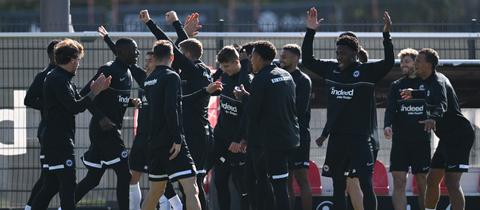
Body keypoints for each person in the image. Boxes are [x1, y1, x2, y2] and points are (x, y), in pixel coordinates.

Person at [302, 7, 393, 210]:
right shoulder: (330, 70)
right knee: (337, 185)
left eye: (343, 52)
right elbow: (307, 60)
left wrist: (386, 35)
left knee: (366, 185)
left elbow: (388, 62)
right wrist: (310, 31)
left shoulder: (366, 72)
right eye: (337, 52)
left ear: (354, 53)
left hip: (361, 138)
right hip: (338, 138)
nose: (339, 56)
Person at [140, 10, 213, 209]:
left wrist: (161, 24)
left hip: (188, 133)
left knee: (189, 185)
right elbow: (177, 52)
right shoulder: (191, 71)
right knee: (190, 188)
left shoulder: (154, 79)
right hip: (179, 135)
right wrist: (178, 28)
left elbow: (173, 51)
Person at [30, 38, 111, 210]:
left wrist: (96, 91)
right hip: (58, 141)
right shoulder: (58, 79)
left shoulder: (63, 78)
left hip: (56, 139)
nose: (79, 64)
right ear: (73, 59)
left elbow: (77, 102)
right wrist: (94, 92)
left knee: (50, 186)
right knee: (67, 187)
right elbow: (75, 107)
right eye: (79, 59)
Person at [401, 48, 475, 210]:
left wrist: (432, 118)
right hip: (447, 138)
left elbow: (442, 103)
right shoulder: (427, 82)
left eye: (419, 61)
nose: (416, 64)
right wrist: (414, 93)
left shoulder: (439, 81)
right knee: (432, 180)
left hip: (460, 136)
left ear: (428, 64)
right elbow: (428, 93)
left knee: (451, 182)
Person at [74, 37, 141, 210]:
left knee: (93, 178)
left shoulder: (127, 71)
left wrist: (129, 102)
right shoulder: (109, 69)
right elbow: (84, 94)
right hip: (104, 131)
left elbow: (113, 99)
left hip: (108, 130)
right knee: (125, 175)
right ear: (123, 52)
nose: (137, 53)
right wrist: (101, 117)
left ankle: (64, 206)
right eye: (134, 50)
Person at [246, 40, 300, 210]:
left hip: (273, 141)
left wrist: (243, 98)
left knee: (277, 187)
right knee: (276, 184)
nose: (250, 60)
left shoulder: (260, 79)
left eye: (252, 56)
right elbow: (275, 103)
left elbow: (253, 112)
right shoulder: (285, 74)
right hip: (289, 138)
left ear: (260, 57)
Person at [384, 48, 430, 210]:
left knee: (423, 181)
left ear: (416, 64)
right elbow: (390, 109)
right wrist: (387, 125)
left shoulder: (427, 84)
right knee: (399, 181)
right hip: (400, 142)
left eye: (407, 61)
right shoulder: (396, 86)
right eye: (402, 61)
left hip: (421, 140)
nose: (403, 64)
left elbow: (436, 103)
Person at [211, 45, 252, 210]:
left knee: (242, 184)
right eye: (221, 66)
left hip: (237, 142)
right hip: (221, 139)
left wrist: (239, 139)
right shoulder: (224, 76)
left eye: (227, 66)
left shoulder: (246, 81)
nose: (224, 69)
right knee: (219, 181)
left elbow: (248, 115)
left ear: (237, 62)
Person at [24, 40, 60, 210]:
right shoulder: (44, 76)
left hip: (60, 132)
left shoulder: (64, 74)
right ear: (52, 55)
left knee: (52, 178)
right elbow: (28, 99)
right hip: (48, 131)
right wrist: (48, 105)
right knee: (50, 178)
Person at [279, 44, 313, 210]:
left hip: (299, 137)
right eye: (281, 55)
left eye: (285, 56)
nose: (281, 58)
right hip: (283, 137)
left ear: (296, 58)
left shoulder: (303, 80)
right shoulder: (279, 77)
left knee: (302, 179)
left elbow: (299, 109)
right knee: (286, 179)